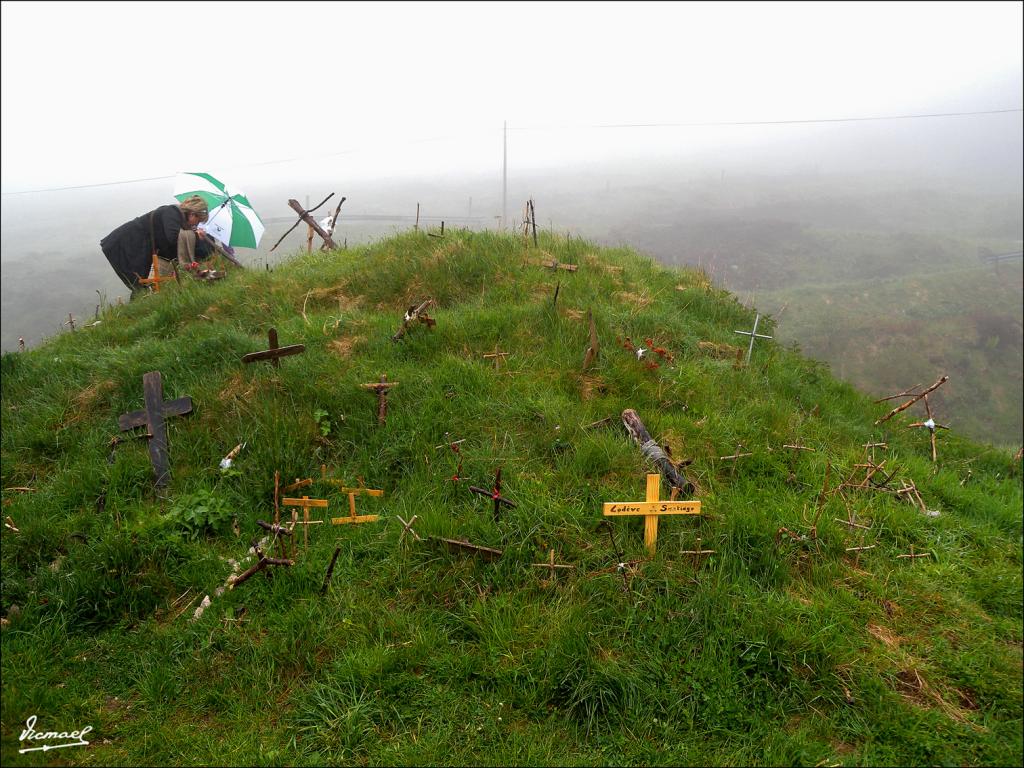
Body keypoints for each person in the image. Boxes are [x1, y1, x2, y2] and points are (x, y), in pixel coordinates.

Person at [100, 195, 215, 293]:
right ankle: (139, 307)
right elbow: (173, 237)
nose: (198, 224)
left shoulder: (179, 218)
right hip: (127, 242)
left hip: (141, 246)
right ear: (192, 214)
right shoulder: (171, 212)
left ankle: (141, 303)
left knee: (142, 282)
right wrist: (195, 236)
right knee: (138, 280)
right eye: (199, 220)